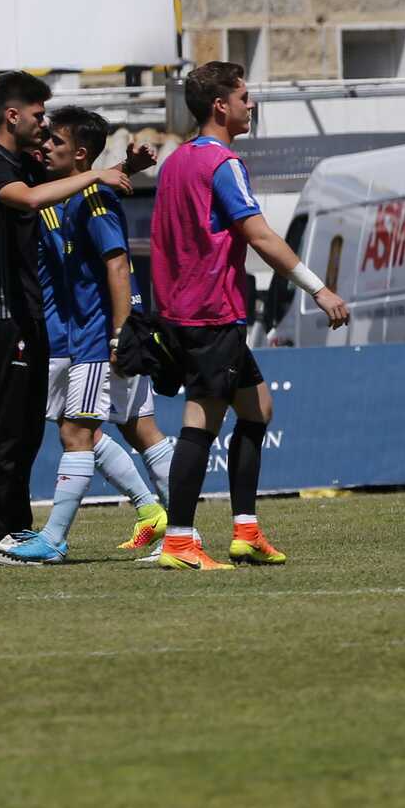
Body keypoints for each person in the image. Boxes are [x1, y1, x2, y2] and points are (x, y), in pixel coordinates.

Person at [146, 62, 349, 571]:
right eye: (244, 96)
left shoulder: (175, 162)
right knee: (201, 420)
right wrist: (320, 289)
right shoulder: (223, 163)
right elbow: (260, 236)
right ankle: (179, 540)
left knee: (258, 410)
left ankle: (246, 531)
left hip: (182, 311)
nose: (251, 104)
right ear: (221, 106)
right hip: (211, 313)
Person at [0, 109, 169, 563]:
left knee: (80, 431)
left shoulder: (93, 200)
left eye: (55, 140)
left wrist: (119, 334)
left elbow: (117, 265)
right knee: (132, 429)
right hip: (75, 334)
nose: (45, 145)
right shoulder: (67, 193)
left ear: (78, 153)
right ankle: (169, 524)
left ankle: (55, 538)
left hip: (95, 336)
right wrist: (125, 167)